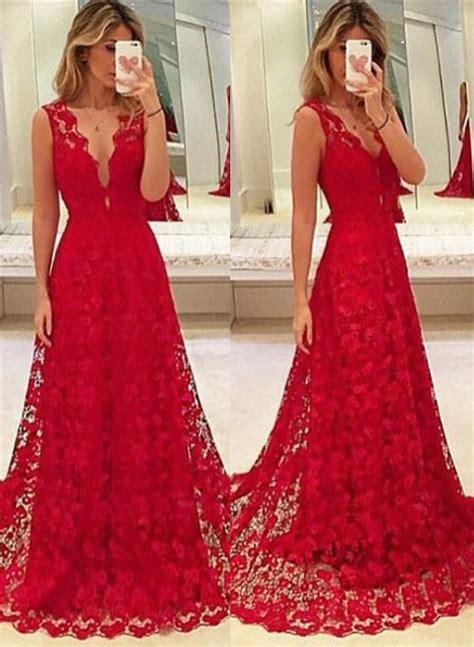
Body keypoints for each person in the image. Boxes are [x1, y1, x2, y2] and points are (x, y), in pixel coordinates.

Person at [230, 0, 474, 637]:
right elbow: (303, 214)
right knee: (350, 395)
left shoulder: (382, 111)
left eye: (363, 49)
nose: (351, 60)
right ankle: (351, 509)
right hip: (345, 272)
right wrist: (298, 297)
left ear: (376, 57)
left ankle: (396, 503)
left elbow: (417, 174)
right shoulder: (311, 120)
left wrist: (382, 111)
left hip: (389, 271)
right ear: (325, 53)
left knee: (392, 390)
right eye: (343, 49)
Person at [0, 0, 228, 639]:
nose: (120, 59)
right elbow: (46, 212)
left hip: (136, 269)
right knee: (79, 399)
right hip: (77, 270)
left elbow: (154, 192)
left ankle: (141, 518)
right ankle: (82, 524)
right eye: (110, 47)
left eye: (129, 48)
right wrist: (41, 291)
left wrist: (152, 106)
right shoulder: (48, 120)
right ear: (83, 49)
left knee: (141, 395)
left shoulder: (141, 115)